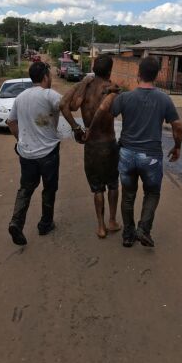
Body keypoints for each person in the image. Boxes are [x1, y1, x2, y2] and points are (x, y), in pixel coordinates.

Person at [88, 56, 182, 248]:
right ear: (156, 75)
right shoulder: (164, 99)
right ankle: (144, 229)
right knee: (152, 193)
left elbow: (106, 109)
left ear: (139, 74)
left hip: (127, 155)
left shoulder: (124, 97)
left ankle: (128, 235)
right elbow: (177, 126)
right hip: (151, 157)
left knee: (128, 195)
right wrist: (177, 146)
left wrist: (109, 91)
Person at [60, 55, 120, 239]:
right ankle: (111, 220)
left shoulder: (84, 89)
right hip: (109, 143)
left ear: (93, 69)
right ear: (110, 70)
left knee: (97, 188)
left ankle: (100, 227)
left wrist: (76, 128)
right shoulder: (111, 90)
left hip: (91, 145)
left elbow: (64, 105)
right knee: (112, 184)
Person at [7, 62, 62, 245]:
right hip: (48, 153)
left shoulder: (20, 97)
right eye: (50, 75)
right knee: (49, 188)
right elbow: (67, 104)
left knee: (26, 188)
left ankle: (16, 222)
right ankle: (45, 223)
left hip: (27, 154)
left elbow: (11, 122)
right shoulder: (49, 94)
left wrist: (20, 141)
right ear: (46, 76)